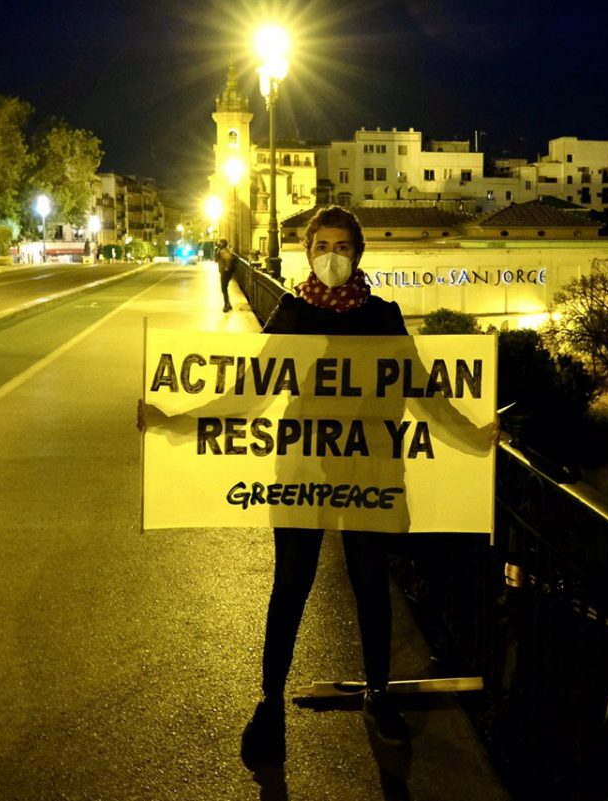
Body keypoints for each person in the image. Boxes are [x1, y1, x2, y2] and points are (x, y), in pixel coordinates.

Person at [240, 205, 411, 768]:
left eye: (342, 246)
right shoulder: (290, 312)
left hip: (365, 471)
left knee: (370, 585)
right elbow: (251, 391)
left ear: (357, 253)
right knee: (290, 585)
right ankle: (269, 703)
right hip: (303, 468)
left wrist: (481, 429)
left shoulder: (385, 316)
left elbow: (424, 390)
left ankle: (379, 694)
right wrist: (173, 417)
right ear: (308, 252)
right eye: (322, 246)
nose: (331, 256)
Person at [215, 238, 235, 312]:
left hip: (225, 272)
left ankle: (226, 305)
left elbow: (228, 259)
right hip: (226, 272)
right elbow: (216, 259)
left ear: (223, 243)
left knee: (224, 289)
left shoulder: (223, 251)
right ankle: (228, 304)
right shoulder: (225, 250)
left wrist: (226, 268)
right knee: (225, 288)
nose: (218, 243)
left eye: (220, 242)